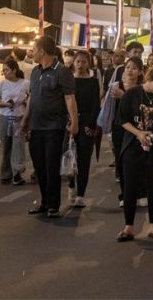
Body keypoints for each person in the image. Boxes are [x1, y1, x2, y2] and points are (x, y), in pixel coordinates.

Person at [115, 65, 153, 242]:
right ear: (147, 80)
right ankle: (128, 227)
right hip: (132, 146)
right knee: (130, 186)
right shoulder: (132, 94)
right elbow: (123, 120)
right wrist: (139, 133)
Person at [21, 36, 79, 219]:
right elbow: (32, 97)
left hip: (54, 126)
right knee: (39, 166)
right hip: (36, 126)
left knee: (51, 165)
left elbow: (70, 98)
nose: (31, 52)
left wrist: (74, 122)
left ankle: (53, 205)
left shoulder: (62, 71)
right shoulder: (36, 72)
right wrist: (25, 119)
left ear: (42, 51)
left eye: (34, 49)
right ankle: (45, 201)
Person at [110, 57, 145, 208]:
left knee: (139, 161)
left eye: (134, 68)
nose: (130, 70)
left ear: (140, 72)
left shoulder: (143, 88)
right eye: (128, 67)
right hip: (119, 127)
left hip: (138, 128)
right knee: (122, 160)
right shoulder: (116, 86)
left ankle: (141, 193)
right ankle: (125, 194)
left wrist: (124, 96)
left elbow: (141, 108)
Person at [67, 51, 100, 208]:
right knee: (69, 156)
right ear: (73, 62)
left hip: (86, 123)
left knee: (84, 159)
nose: (80, 65)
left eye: (84, 62)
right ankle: (71, 185)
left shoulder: (93, 82)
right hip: (68, 123)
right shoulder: (68, 80)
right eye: (78, 61)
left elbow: (95, 105)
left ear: (89, 63)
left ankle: (81, 194)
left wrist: (91, 126)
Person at [0, 58, 29, 185]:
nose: (5, 73)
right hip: (4, 118)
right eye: (3, 71)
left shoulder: (25, 83)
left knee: (18, 146)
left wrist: (25, 105)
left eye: (6, 70)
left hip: (19, 118)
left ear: (14, 70)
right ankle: (6, 173)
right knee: (6, 146)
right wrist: (5, 104)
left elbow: (30, 99)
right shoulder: (1, 84)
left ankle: (17, 172)